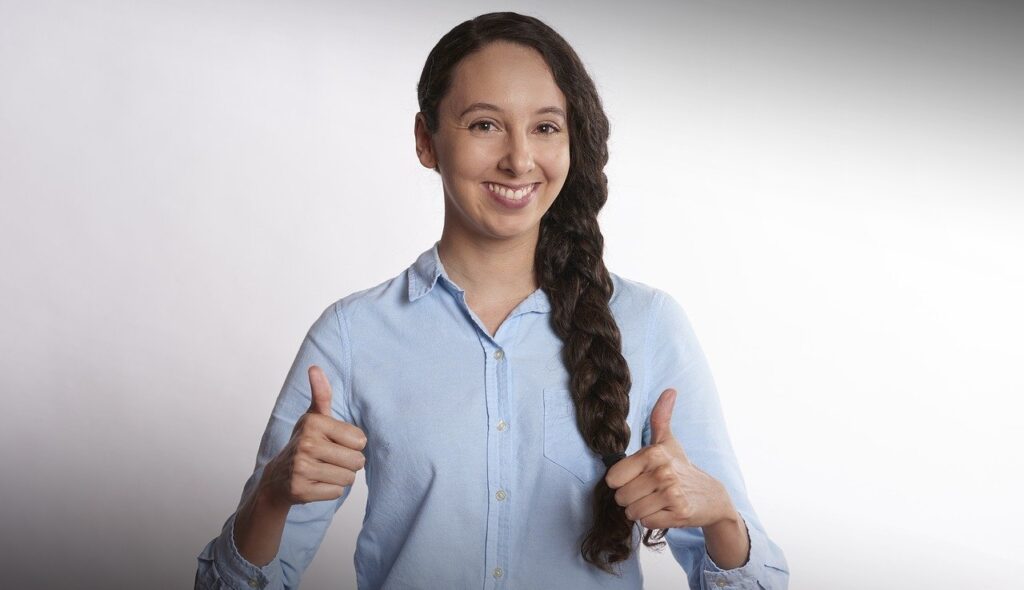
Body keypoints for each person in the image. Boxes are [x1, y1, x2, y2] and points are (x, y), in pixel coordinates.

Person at [195, 11, 788, 590]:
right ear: (427, 141)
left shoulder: (651, 324)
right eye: (484, 124)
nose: (520, 159)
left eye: (546, 127)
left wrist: (719, 515)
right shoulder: (353, 335)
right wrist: (273, 497)